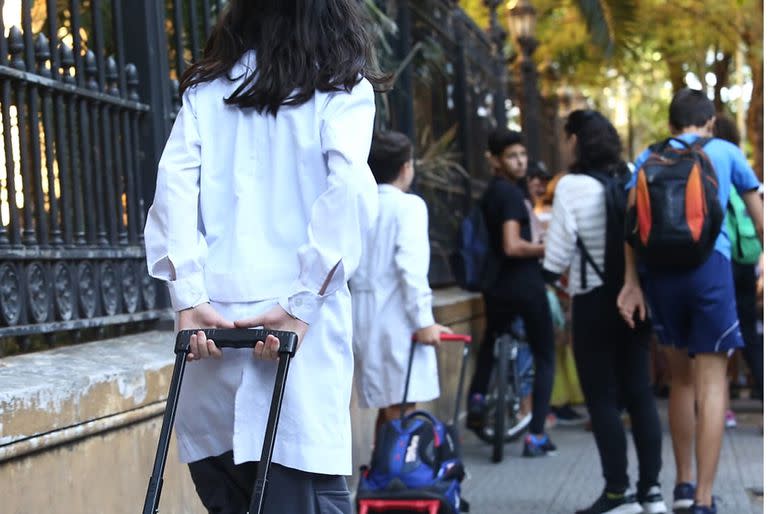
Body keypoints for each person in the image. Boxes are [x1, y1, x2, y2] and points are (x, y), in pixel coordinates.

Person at [143, 2, 384, 513]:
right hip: (298, 352)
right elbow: (349, 196)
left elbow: (173, 191)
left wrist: (189, 297)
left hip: (211, 344)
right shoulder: (341, 91)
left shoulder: (207, 92)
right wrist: (302, 304)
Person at [619, 89, 763, 514]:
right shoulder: (726, 151)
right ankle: (703, 497)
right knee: (713, 383)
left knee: (680, 380)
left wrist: (631, 282)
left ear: (670, 124)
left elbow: (630, 223)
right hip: (710, 273)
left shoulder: (649, 156)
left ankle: (681, 486)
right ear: (710, 122)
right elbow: (759, 215)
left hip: (661, 276)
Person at [544, 110, 665, 514]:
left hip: (594, 300)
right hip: (637, 298)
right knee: (640, 393)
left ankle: (617, 493)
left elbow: (558, 253)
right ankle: (652, 493)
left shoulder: (571, 187)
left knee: (601, 399)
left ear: (576, 141)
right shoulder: (632, 174)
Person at [350, 130, 451, 435]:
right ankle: (392, 477)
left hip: (361, 315)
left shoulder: (357, 204)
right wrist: (424, 322)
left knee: (389, 404)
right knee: (402, 405)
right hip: (398, 317)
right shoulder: (409, 206)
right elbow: (411, 269)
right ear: (406, 167)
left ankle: (382, 474)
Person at [466, 128, 557, 457]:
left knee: (490, 342)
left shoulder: (493, 192)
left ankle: (477, 400)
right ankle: (536, 436)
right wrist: (547, 248)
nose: (520, 162)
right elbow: (512, 245)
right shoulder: (508, 195)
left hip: (496, 286)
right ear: (495, 160)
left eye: (522, 155)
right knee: (545, 355)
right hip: (524, 284)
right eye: (512, 156)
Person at [713, 113, 763, 419]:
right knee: (748, 335)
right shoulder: (742, 172)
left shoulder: (711, 173)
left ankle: (722, 408)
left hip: (721, 264)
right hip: (746, 263)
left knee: (719, 336)